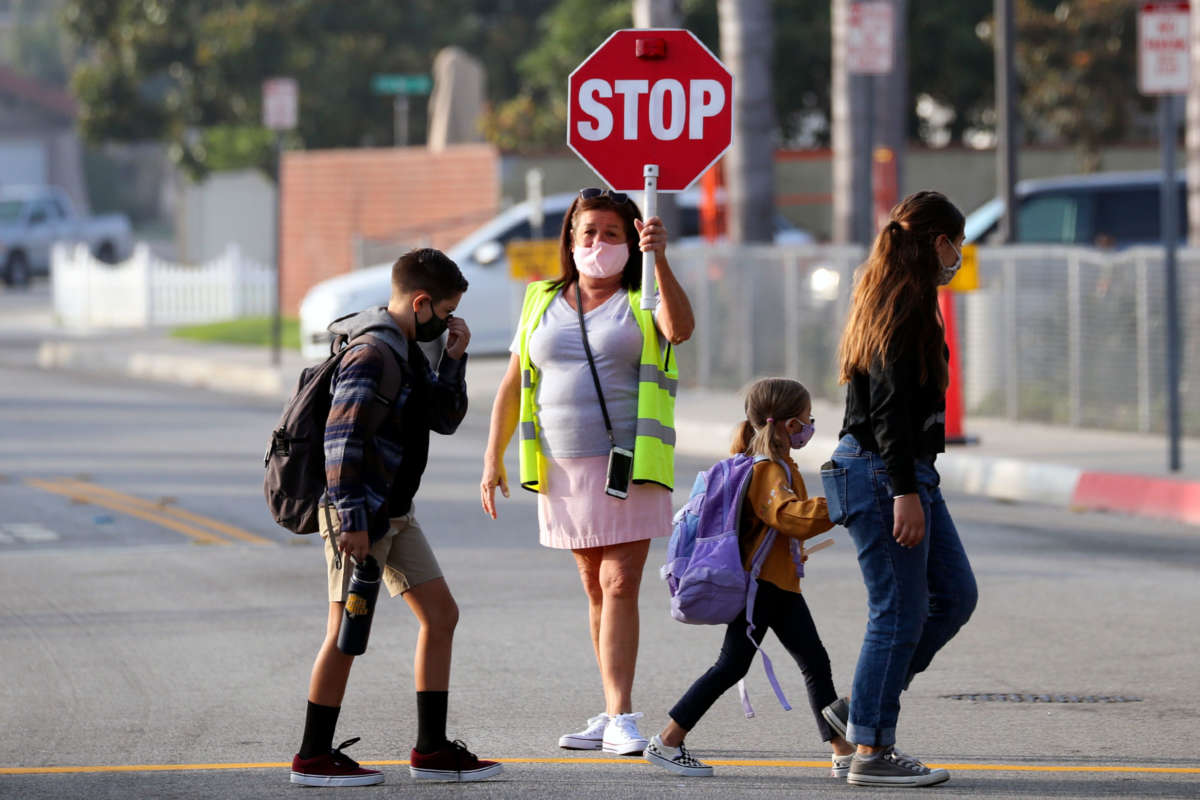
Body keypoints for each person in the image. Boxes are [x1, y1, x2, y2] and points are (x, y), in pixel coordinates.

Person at [480, 187, 694, 755]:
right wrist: (491, 456)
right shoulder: (540, 299)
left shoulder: (642, 297)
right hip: (563, 467)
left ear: (631, 242)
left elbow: (680, 331)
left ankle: (623, 715)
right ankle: (608, 707)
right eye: (587, 234)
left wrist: (660, 260)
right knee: (593, 589)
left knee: (619, 583)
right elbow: (512, 382)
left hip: (630, 462)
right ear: (570, 241)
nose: (597, 243)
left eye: (611, 234)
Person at [290, 248, 501, 786]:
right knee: (345, 631)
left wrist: (453, 356)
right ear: (422, 301)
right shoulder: (372, 354)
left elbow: (444, 418)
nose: (449, 322)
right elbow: (341, 441)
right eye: (446, 313)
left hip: (396, 511)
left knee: (441, 616)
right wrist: (354, 521)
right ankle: (312, 756)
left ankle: (430, 750)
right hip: (358, 512)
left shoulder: (407, 348)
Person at [819, 191, 978, 787]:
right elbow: (887, 406)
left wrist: (913, 483)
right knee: (899, 613)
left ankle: (859, 709)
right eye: (955, 243)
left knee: (955, 596)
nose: (957, 255)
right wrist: (903, 492)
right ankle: (873, 750)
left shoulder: (908, 295)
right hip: (884, 470)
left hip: (904, 470)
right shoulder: (902, 300)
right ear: (937, 241)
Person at [643, 377, 855, 778]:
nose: (811, 426)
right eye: (808, 419)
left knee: (804, 661)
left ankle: (842, 751)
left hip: (774, 584)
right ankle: (667, 740)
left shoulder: (776, 465)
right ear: (791, 425)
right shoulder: (769, 469)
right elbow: (789, 516)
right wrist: (842, 503)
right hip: (765, 588)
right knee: (741, 665)